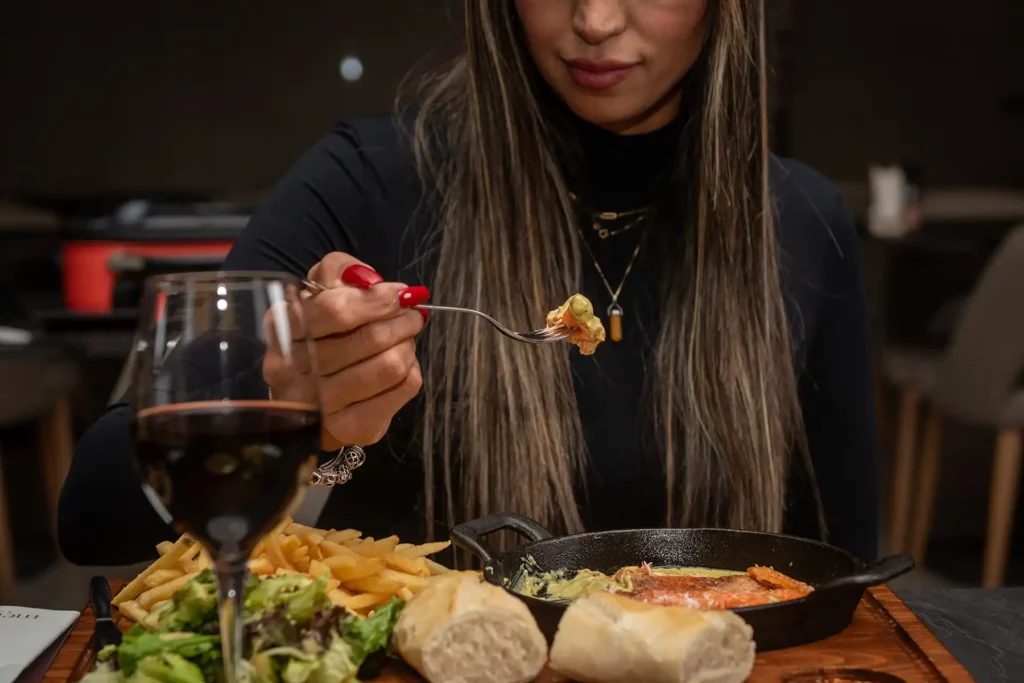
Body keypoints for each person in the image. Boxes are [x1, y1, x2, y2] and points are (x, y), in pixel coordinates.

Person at [59, 0, 879, 566]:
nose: (594, 21)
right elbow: (92, 511)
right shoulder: (365, 182)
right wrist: (293, 411)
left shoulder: (802, 220)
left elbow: (845, 566)